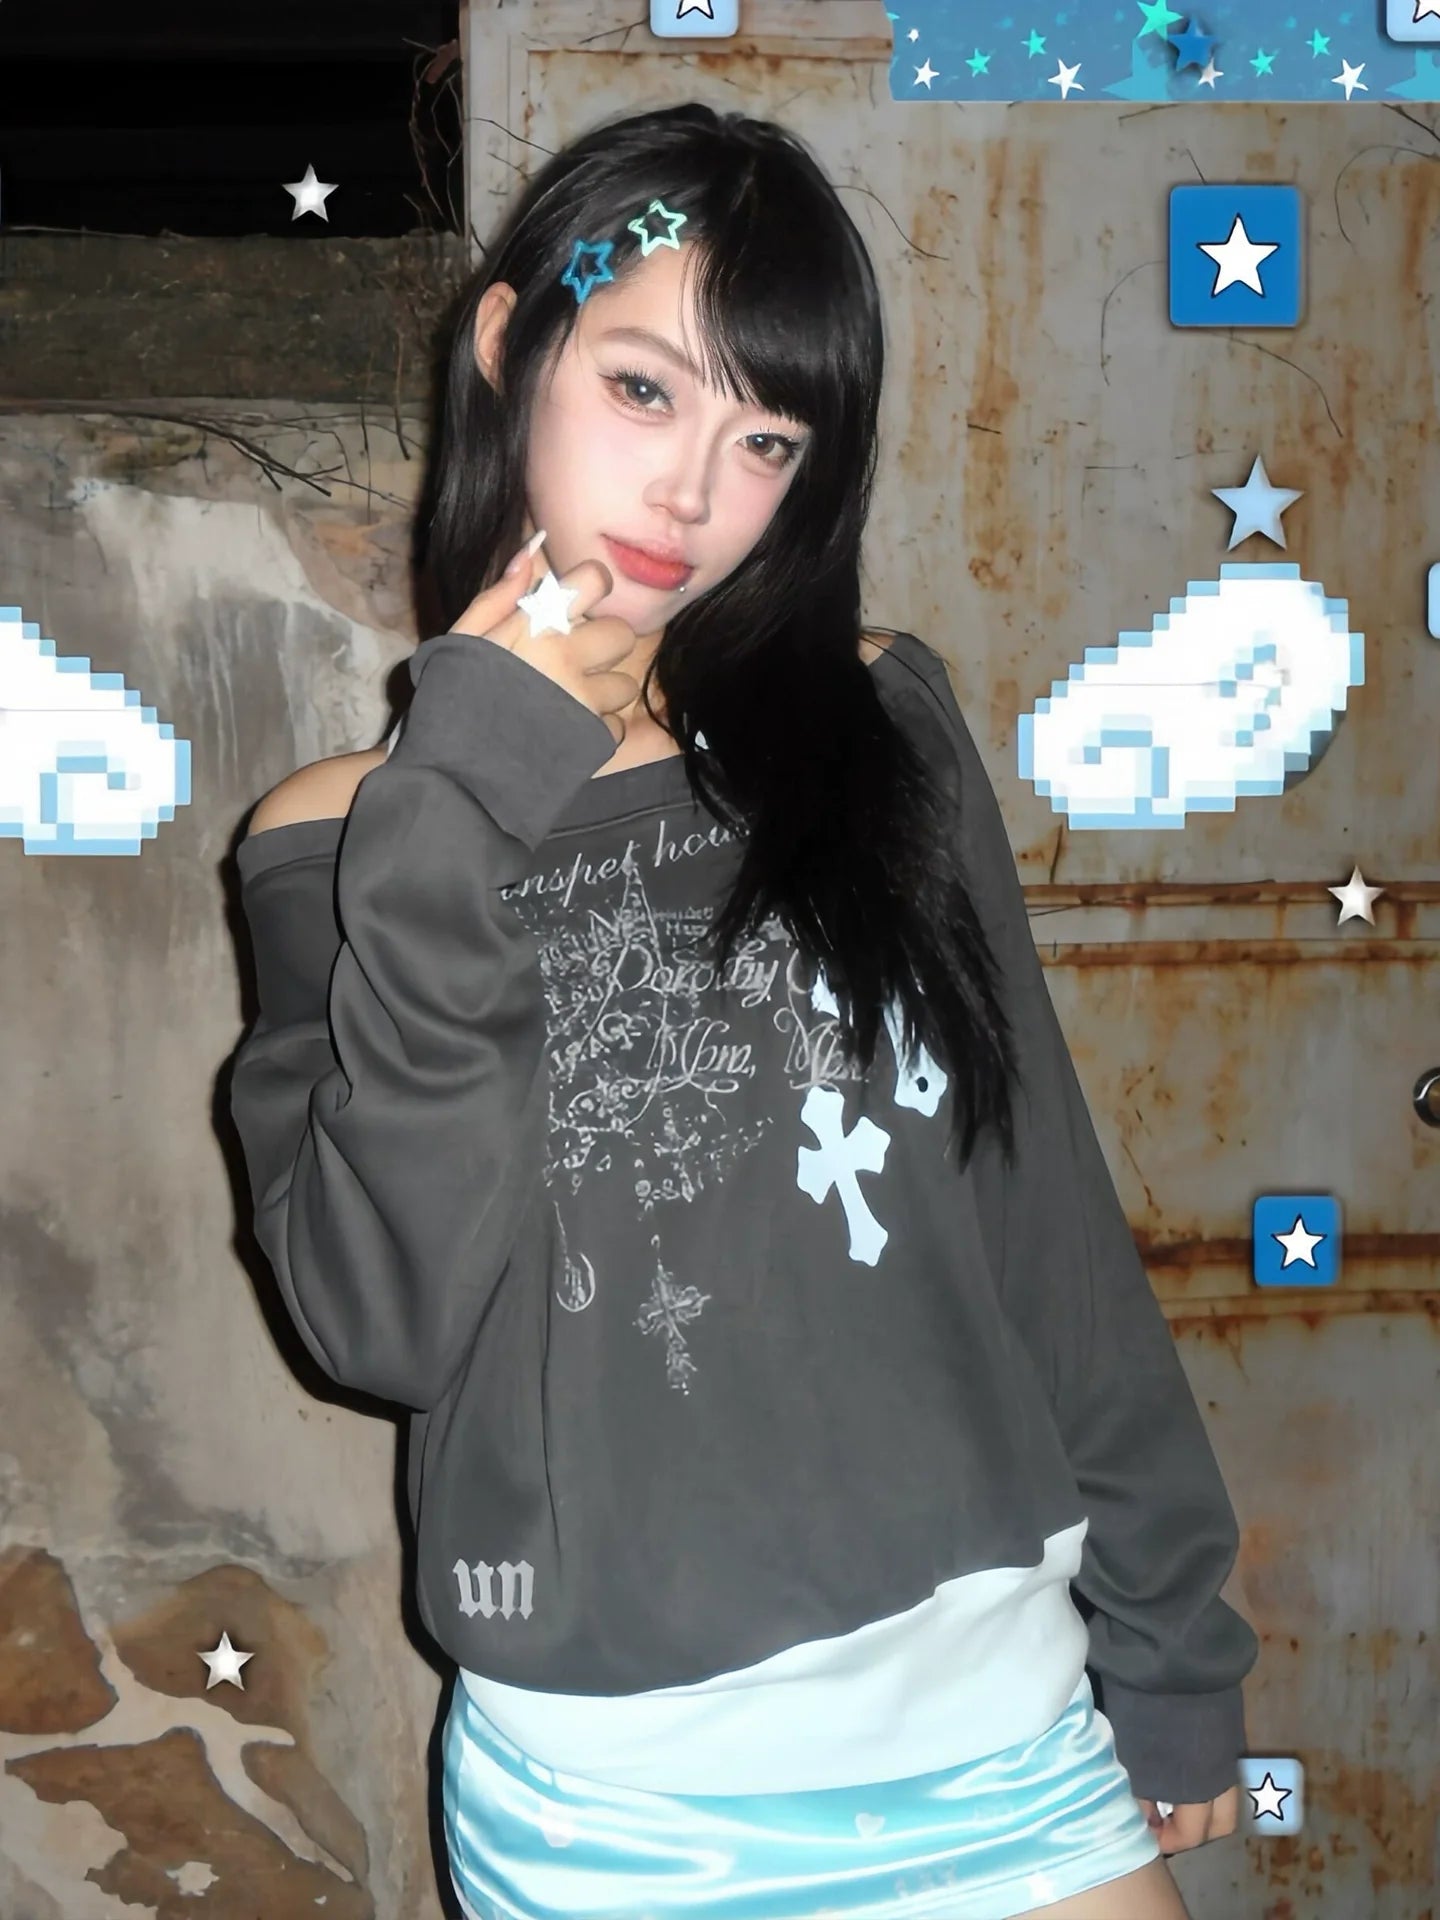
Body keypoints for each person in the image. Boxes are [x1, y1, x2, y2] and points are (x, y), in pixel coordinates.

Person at [229, 102, 1256, 1920]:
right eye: (641, 389)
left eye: (763, 436)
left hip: (1005, 1732)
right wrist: (461, 786)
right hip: (623, 1802)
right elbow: (379, 1324)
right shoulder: (338, 837)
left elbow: (1042, 1211)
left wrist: (1172, 1641)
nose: (690, 496)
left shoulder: (876, 726)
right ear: (510, 346)